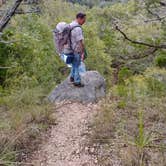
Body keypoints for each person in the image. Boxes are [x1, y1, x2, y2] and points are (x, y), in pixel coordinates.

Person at [69, 12, 86, 87]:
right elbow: (81, 42)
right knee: (77, 65)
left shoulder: (70, 25)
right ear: (79, 18)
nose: (84, 22)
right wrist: (82, 52)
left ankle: (72, 77)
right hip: (76, 50)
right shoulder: (78, 28)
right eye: (84, 20)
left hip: (69, 49)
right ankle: (77, 81)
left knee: (74, 64)